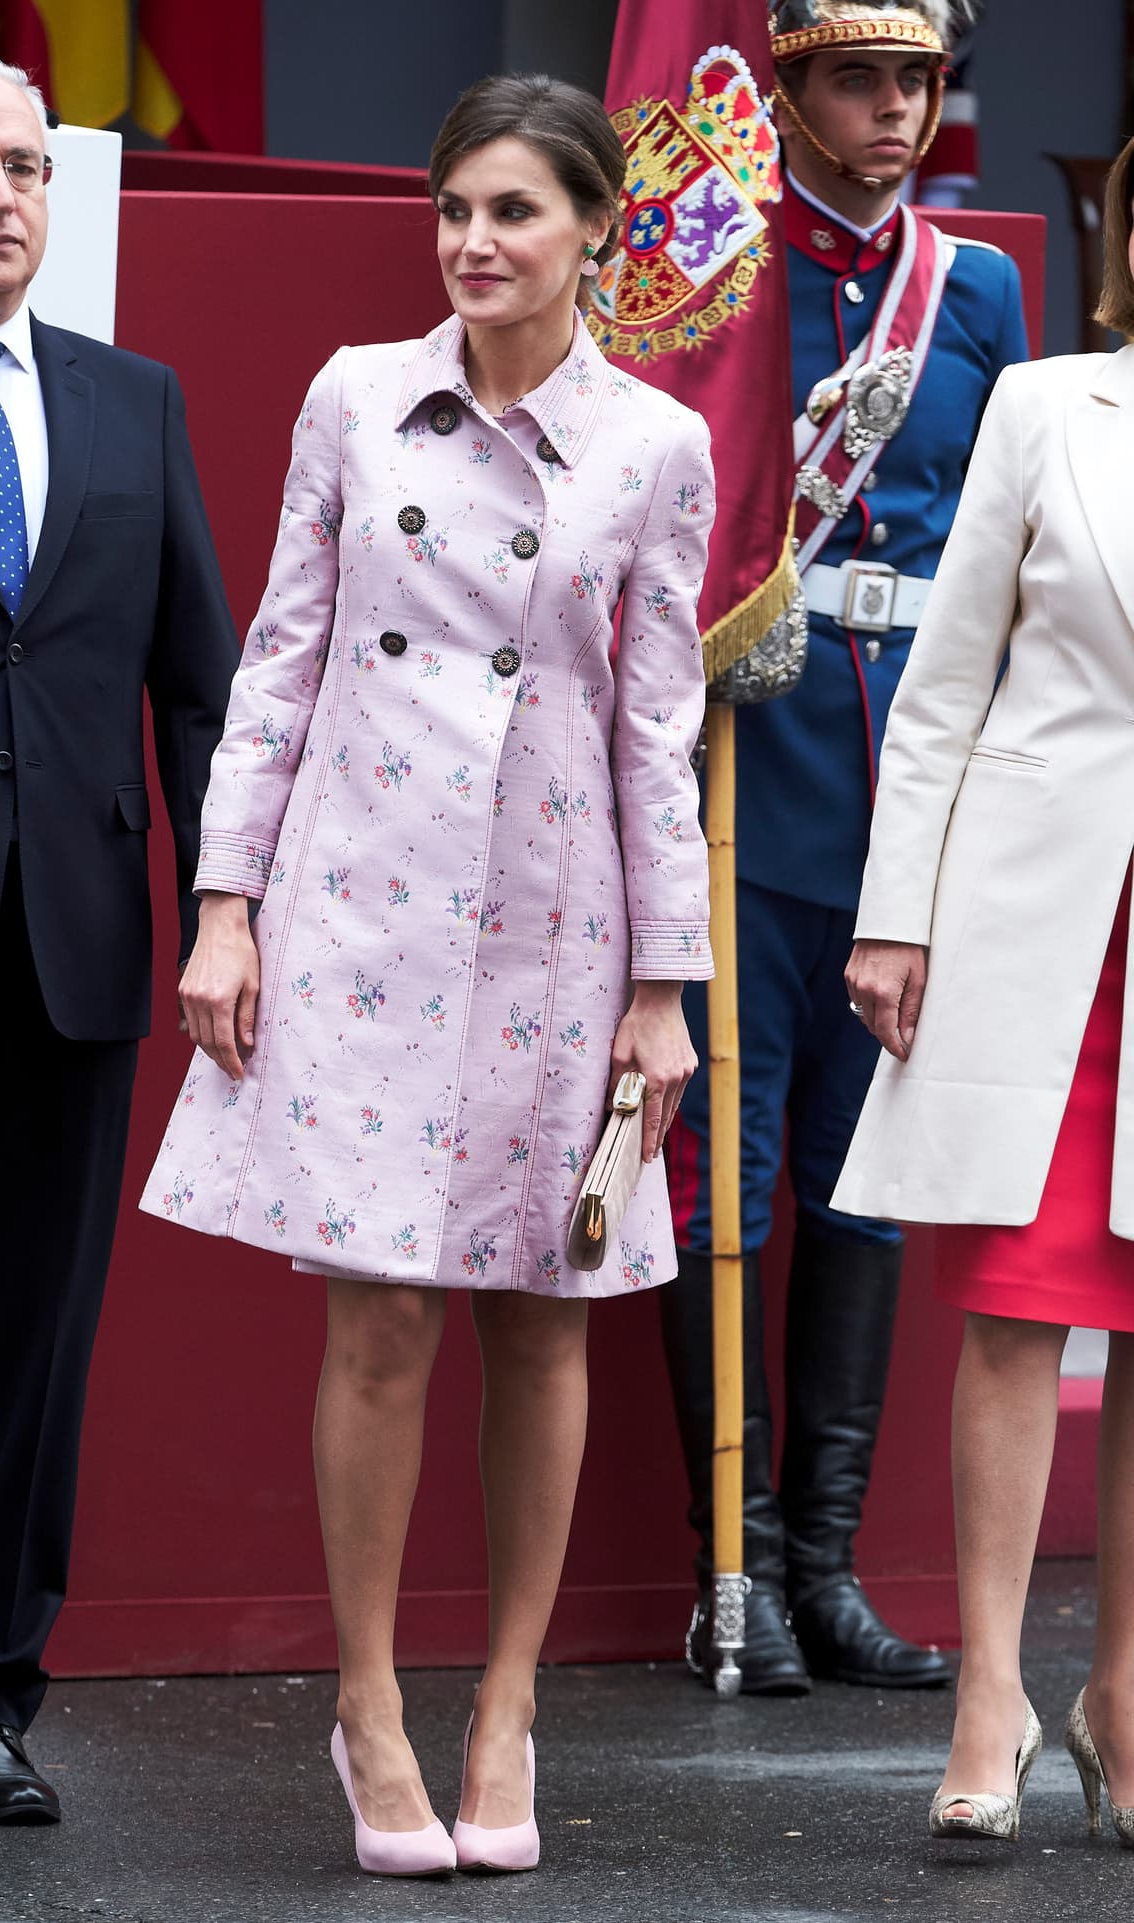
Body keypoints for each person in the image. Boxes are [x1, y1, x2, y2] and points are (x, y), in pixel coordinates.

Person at [141, 72, 715, 1877]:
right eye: (454, 209)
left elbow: (655, 727)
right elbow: (280, 660)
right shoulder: (353, 400)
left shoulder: (656, 448)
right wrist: (224, 903)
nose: (474, 243)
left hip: (560, 920)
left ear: (593, 232)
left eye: (513, 213)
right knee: (377, 1310)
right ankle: (371, 1702)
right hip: (365, 908)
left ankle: (512, 1705)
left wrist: (667, 981)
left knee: (547, 1313)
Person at [0, 52, 237, 1823]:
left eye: (23, 165)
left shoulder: (131, 403)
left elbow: (197, 695)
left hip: (71, 949)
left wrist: (223, 909)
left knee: (30, 1347)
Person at [659, 0, 1028, 1695]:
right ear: (786, 87)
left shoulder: (978, 290)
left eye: (917, 82)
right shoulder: (718, 284)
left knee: (864, 1189)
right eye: (859, 81)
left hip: (908, 791)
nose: (893, 112)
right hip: (750, 767)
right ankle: (727, 1567)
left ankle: (830, 1567)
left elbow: (1003, 543)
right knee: (725, 1187)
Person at [834, 133, 1134, 1843]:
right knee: (1017, 1307)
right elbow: (944, 685)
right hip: (1038, 928)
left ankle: (1125, 1696)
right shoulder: (1043, 403)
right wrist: (899, 918)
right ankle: (992, 1692)